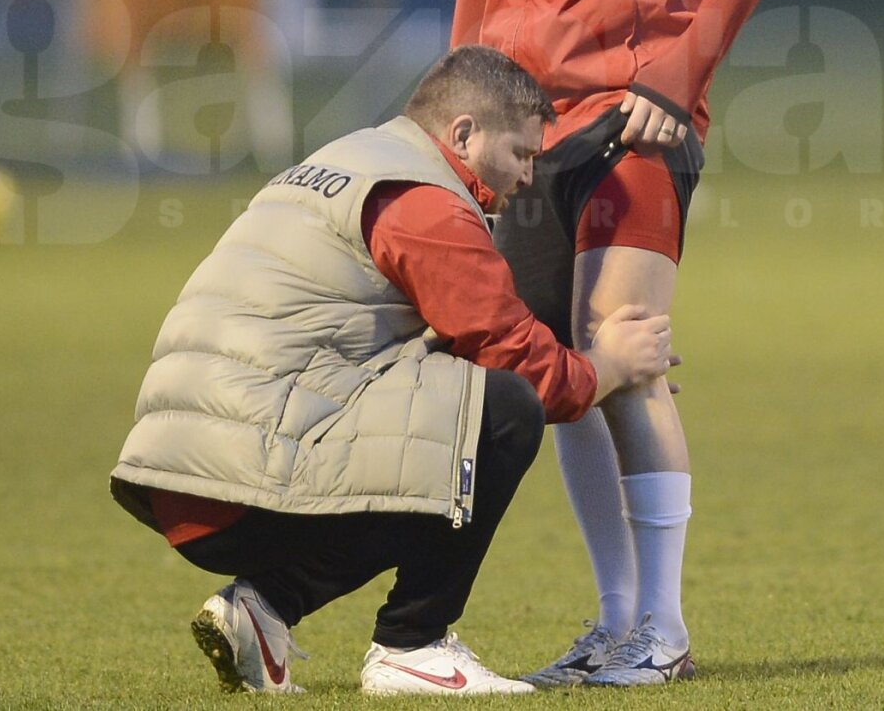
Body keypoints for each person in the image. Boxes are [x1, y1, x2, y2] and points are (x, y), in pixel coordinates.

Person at [447, 0, 790, 688]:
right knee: (561, 372)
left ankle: (667, 629)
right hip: (527, 127)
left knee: (626, 346)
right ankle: (616, 622)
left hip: (639, 114)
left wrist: (682, 68)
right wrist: (460, 102)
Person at [110, 45, 680, 696]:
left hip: (182, 471)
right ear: (463, 133)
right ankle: (414, 644)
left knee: (443, 405)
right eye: (522, 153)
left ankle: (262, 609)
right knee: (500, 411)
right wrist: (610, 365)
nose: (527, 176)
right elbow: (524, 370)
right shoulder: (426, 203)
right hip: (246, 478)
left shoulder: (354, 158)